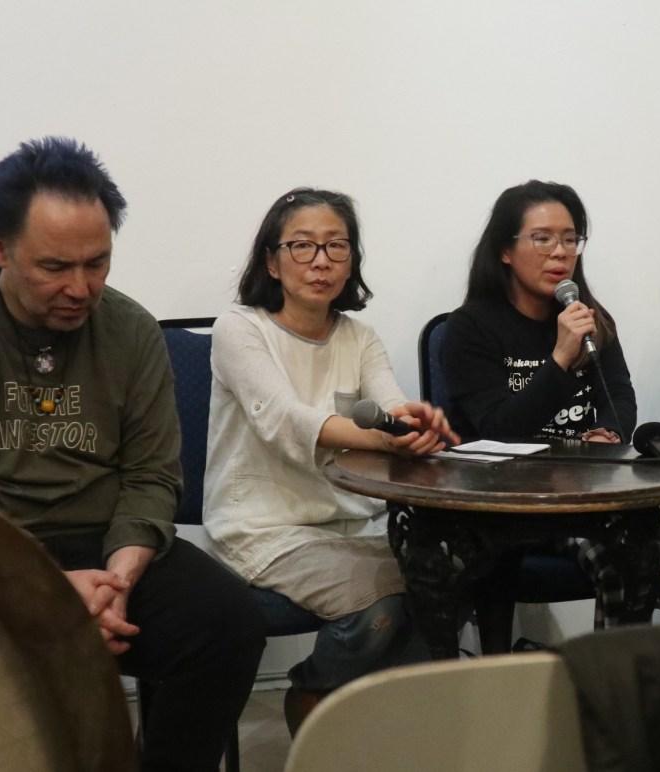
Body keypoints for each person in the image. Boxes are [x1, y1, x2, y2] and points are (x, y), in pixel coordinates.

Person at [0, 137, 267, 772]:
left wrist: (116, 582)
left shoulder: (131, 330)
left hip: (112, 550)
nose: (81, 287)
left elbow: (152, 474)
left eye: (98, 263)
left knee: (228, 623)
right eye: (54, 267)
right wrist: (45, 586)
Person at [203, 188, 456, 734]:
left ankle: (393, 734)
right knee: (381, 604)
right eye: (302, 245)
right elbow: (285, 419)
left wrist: (413, 427)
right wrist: (384, 439)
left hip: (356, 519)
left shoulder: (360, 338)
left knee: (443, 581)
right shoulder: (240, 329)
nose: (320, 261)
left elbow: (390, 408)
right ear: (272, 261)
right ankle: (315, 694)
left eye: (336, 247)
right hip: (265, 527)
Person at [441, 179, 660, 626]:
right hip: (509, 503)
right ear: (505, 250)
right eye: (543, 238)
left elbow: (619, 394)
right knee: (635, 533)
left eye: (570, 239)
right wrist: (558, 359)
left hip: (586, 492)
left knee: (629, 542)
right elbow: (498, 428)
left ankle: (639, 653)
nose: (560, 252)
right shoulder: (469, 328)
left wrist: (609, 434)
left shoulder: (589, 319)